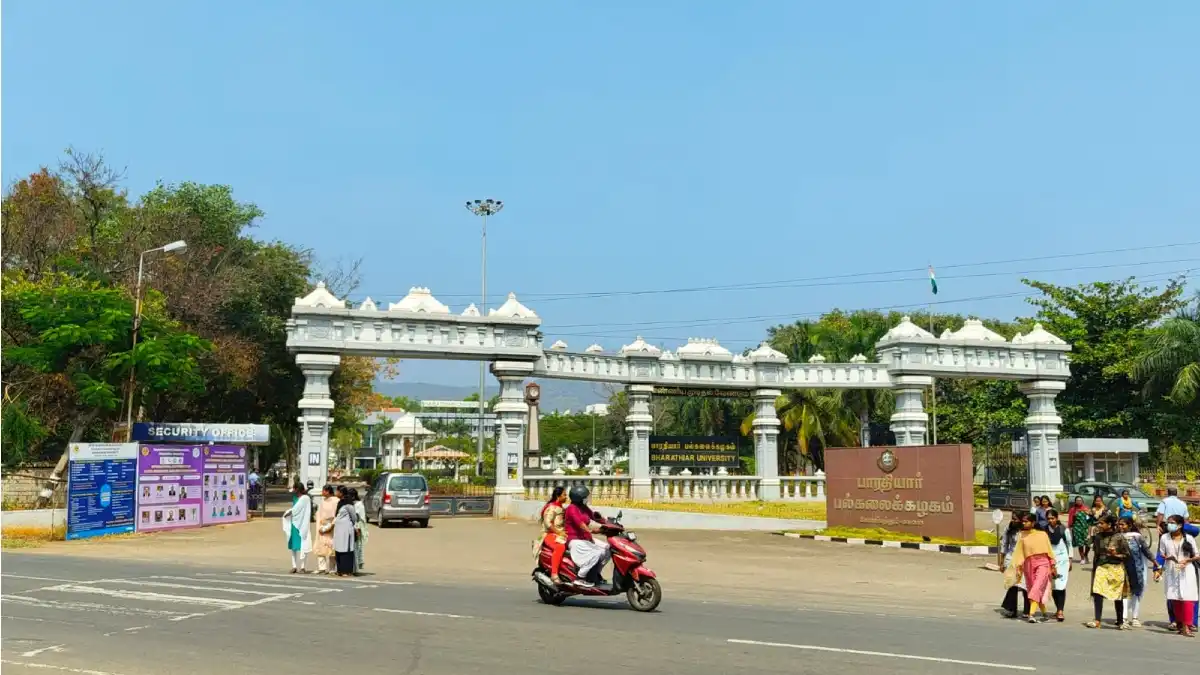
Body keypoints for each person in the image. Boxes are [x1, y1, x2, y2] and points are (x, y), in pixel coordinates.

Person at [1005, 512, 1055, 623]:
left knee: (1036, 587)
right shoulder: (1022, 535)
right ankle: (1044, 612)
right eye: (1023, 521)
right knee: (1033, 589)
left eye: (1026, 521)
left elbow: (1049, 551)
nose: (1024, 523)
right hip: (1028, 564)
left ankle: (1031, 614)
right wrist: (1018, 567)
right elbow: (1019, 552)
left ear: (1033, 522)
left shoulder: (1042, 535)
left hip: (1043, 563)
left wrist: (1052, 565)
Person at [1158, 514, 1199, 638]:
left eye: (1172, 522)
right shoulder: (1164, 538)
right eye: (1168, 522)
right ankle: (1180, 624)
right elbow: (1161, 554)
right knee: (1175, 598)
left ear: (1180, 525)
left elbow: (1197, 555)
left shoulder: (1189, 538)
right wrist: (1160, 567)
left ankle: (1187, 625)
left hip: (1187, 570)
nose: (1169, 524)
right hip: (1172, 569)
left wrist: (1186, 561)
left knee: (1187, 598)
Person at [1086, 514, 1131, 629]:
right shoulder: (1097, 537)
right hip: (1101, 567)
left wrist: (1115, 554)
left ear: (1109, 525)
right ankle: (1097, 620)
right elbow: (1096, 554)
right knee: (1097, 592)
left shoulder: (1119, 537)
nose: (1099, 525)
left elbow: (1127, 555)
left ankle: (1120, 621)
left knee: (1117, 595)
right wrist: (1094, 569)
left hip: (1116, 568)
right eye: (1099, 523)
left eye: (1102, 523)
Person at [563, 485, 610, 588]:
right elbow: (580, 524)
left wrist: (608, 522)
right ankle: (580, 577)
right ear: (579, 498)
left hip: (585, 538)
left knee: (608, 549)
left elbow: (594, 516)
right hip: (574, 540)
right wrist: (591, 530)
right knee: (596, 553)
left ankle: (595, 574)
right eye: (585, 497)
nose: (587, 499)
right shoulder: (572, 509)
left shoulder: (583, 507)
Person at [1117, 516, 1157, 628]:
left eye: (1123, 524)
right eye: (1119, 524)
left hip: (1137, 568)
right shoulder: (1117, 537)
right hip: (1122, 568)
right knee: (1124, 593)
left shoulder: (1137, 537)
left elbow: (1146, 551)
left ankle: (1135, 617)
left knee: (1137, 592)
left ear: (1129, 525)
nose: (1120, 527)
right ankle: (1123, 618)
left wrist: (1155, 563)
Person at [999, 511, 1028, 618]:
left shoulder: (1026, 530)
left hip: (1024, 560)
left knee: (1025, 586)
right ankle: (1012, 609)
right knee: (1012, 584)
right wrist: (1001, 562)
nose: (1013, 521)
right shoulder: (1009, 529)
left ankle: (1027, 610)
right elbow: (1004, 545)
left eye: (1015, 519)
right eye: (1012, 518)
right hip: (1011, 558)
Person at [538, 486, 569, 584]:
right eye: (564, 495)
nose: (566, 497)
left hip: (561, 533)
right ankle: (554, 574)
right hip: (550, 534)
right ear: (558, 496)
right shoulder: (551, 507)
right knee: (559, 547)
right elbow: (548, 523)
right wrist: (558, 532)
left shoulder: (560, 507)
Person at [1046, 509, 1073, 622]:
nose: (1050, 520)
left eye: (1052, 518)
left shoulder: (1064, 530)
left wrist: (1070, 559)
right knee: (1053, 587)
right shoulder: (1044, 530)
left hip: (1062, 561)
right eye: (1048, 518)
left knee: (1061, 586)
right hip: (1049, 560)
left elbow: (1069, 544)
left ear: (1057, 518)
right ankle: (1057, 610)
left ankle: (1061, 611)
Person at [281, 481, 312, 573]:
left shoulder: (305, 498)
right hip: (294, 524)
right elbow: (295, 509)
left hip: (303, 524)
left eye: (294, 489)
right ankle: (294, 566)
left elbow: (296, 509)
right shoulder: (295, 497)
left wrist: (289, 512)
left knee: (303, 544)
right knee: (293, 546)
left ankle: (303, 567)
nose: (293, 491)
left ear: (297, 489)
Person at [332, 486, 357, 577]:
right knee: (338, 549)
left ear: (341, 493)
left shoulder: (348, 504)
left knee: (346, 549)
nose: (336, 493)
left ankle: (347, 570)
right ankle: (340, 570)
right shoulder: (340, 503)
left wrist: (353, 526)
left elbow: (353, 517)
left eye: (337, 491)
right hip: (338, 531)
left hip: (346, 530)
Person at [314, 485, 337, 574]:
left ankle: (332, 568)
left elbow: (336, 515)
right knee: (320, 547)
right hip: (321, 527)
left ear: (328, 491)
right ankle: (322, 568)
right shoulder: (323, 502)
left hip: (331, 527)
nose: (322, 492)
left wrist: (331, 525)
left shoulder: (335, 501)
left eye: (323, 491)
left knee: (331, 549)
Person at [1069, 496, 1093, 563]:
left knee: (1088, 544)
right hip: (1077, 529)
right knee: (1080, 545)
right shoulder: (1072, 509)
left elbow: (1089, 520)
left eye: (1080, 500)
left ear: (1082, 501)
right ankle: (1082, 558)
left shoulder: (1086, 508)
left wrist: (1089, 533)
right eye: (1077, 500)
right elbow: (1071, 521)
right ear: (1075, 501)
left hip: (1085, 529)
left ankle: (1085, 555)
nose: (1079, 501)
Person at [352, 488, 368, 572]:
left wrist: (358, 528)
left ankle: (357, 568)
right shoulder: (353, 504)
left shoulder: (359, 505)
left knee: (358, 547)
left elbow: (359, 518)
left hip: (358, 528)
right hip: (353, 527)